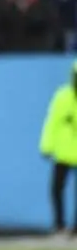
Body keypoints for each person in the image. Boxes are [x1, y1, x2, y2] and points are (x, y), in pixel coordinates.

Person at [39, 60, 77, 238]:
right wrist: (46, 145)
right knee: (56, 189)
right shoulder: (62, 96)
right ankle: (59, 225)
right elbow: (52, 122)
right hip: (63, 152)